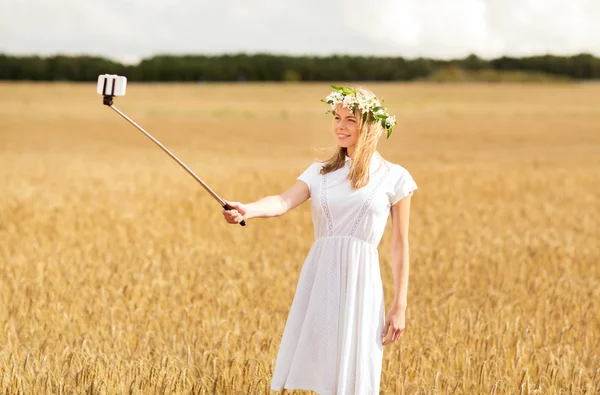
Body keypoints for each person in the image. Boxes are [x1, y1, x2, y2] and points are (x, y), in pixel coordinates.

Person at [221, 85, 418, 394]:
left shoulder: (395, 177)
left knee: (358, 370)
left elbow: (399, 245)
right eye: (337, 118)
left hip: (362, 284)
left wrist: (400, 305)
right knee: (320, 365)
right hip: (320, 278)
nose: (340, 126)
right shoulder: (320, 172)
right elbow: (283, 201)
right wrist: (249, 210)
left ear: (368, 124)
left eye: (350, 119)